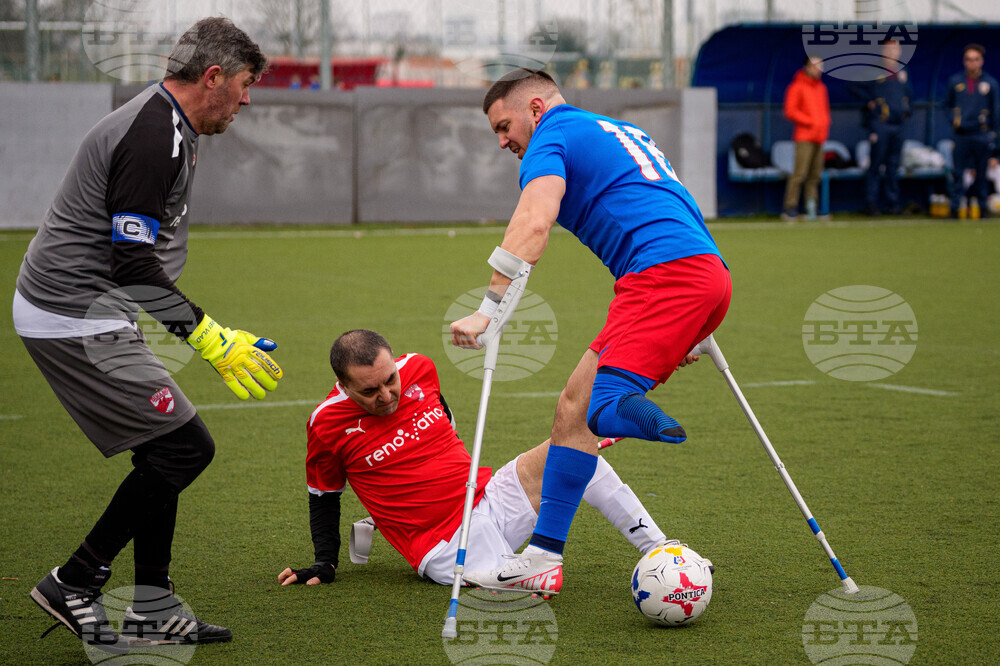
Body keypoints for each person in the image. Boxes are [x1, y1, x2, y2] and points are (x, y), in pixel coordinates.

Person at [15, 18, 279, 650]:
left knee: (167, 445)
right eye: (244, 86)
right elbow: (132, 264)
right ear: (212, 77)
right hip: (72, 314)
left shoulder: (170, 125)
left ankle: (153, 609)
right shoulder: (152, 134)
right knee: (186, 448)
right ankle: (74, 580)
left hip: (88, 309)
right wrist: (212, 340)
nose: (247, 100)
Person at [448, 69, 729, 596]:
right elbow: (676, 203)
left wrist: (488, 309)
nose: (503, 140)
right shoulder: (616, 129)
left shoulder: (550, 138)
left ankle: (629, 411)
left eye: (504, 126)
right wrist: (697, 313)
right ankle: (542, 559)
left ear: (535, 108)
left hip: (661, 277)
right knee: (571, 409)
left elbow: (533, 223)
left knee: (600, 405)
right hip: (705, 273)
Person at [278, 330, 675, 591]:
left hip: (487, 495)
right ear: (344, 385)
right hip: (442, 544)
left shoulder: (419, 368)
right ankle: (524, 567)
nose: (386, 396)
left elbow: (447, 427)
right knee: (537, 583)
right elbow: (323, 494)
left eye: (390, 380)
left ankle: (662, 550)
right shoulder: (326, 423)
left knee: (577, 449)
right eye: (369, 390)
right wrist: (324, 562)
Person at [850, 40, 911, 216]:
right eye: (889, 48)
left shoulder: (903, 71)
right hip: (880, 125)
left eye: (895, 48)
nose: (892, 52)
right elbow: (852, 85)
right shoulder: (872, 70)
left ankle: (893, 204)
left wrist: (907, 111)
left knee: (893, 165)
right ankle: (871, 204)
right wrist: (868, 101)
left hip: (898, 126)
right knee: (876, 165)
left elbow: (909, 95)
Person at [945, 43, 999, 219]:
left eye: (976, 59)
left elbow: (996, 112)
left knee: (981, 173)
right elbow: (945, 105)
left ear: (981, 61)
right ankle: (955, 208)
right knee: (958, 173)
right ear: (964, 61)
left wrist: (995, 142)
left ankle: (982, 209)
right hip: (961, 135)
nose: (972, 63)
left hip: (981, 134)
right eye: (969, 59)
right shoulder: (955, 81)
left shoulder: (990, 83)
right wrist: (954, 120)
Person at [781, 55, 831, 221]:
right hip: (804, 136)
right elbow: (790, 111)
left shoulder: (821, 88)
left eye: (821, 66)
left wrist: (823, 125)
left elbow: (824, 112)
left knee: (815, 175)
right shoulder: (796, 86)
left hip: (819, 137)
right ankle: (790, 208)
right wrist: (811, 122)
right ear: (807, 67)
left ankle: (811, 208)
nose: (819, 70)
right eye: (816, 66)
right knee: (799, 174)